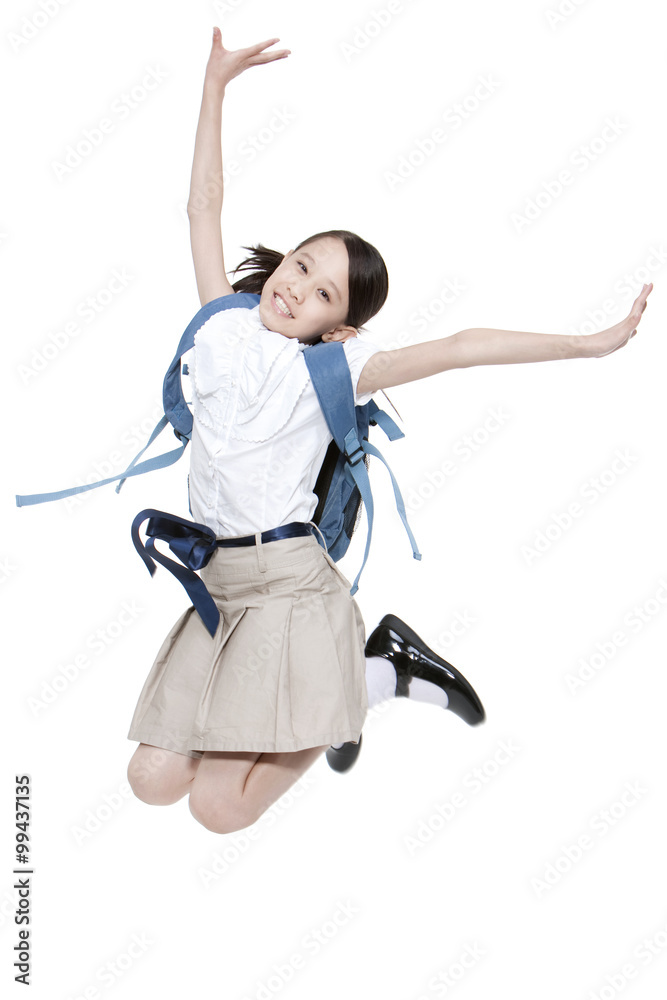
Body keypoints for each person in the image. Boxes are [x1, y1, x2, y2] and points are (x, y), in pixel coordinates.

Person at [126, 28, 652, 834]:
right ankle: (362, 674)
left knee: (214, 810)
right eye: (301, 265)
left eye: (326, 293)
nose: (299, 288)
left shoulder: (328, 371)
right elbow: (203, 206)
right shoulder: (220, 327)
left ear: (340, 328)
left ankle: (368, 679)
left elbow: (458, 348)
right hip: (218, 584)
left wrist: (587, 344)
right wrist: (214, 88)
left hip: (290, 591)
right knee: (152, 779)